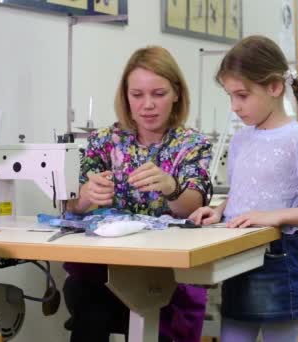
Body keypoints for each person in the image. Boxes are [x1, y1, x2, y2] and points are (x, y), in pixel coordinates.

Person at [189, 35, 298, 342]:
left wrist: (276, 216)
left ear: (275, 87)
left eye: (242, 95)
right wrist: (220, 208)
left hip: (280, 262)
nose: (235, 106)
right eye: (230, 96)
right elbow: (245, 192)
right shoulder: (240, 140)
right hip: (238, 259)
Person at [63, 46, 212, 342]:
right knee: (84, 296)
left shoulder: (192, 144)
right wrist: (87, 195)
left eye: (158, 94)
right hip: (107, 272)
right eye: (137, 95)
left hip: (169, 275)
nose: (148, 105)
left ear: (177, 94)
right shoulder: (104, 141)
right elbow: (71, 204)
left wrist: (172, 188)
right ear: (125, 96)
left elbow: (192, 206)